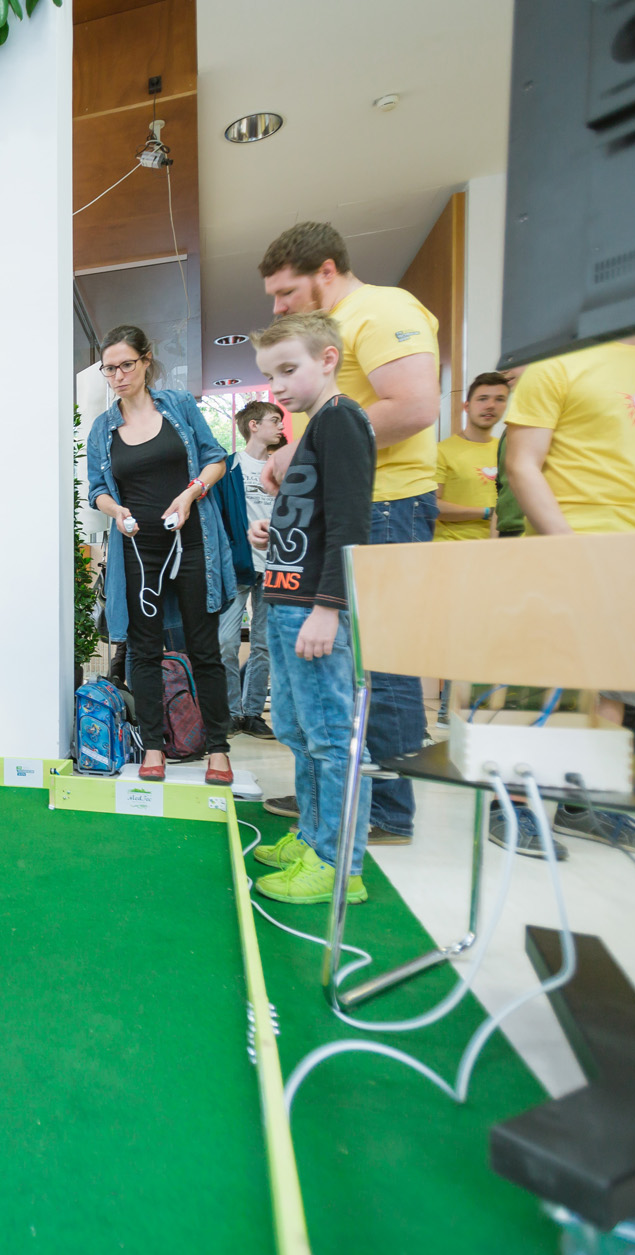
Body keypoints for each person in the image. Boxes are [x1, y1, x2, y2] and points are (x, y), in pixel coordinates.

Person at [493, 330, 635, 858]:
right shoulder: (555, 363)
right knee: (543, 685)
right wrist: (569, 547)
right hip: (568, 543)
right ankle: (513, 807)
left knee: (618, 689)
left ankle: (585, 803)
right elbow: (523, 463)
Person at [259, 221, 440, 845]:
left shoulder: (382, 310)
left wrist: (303, 449)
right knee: (319, 697)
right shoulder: (326, 393)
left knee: (375, 668)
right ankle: (329, 816)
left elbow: (415, 404)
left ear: (326, 271)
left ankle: (377, 812)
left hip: (384, 508)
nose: (279, 306)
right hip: (338, 522)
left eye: (287, 293)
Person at [244, 313, 376, 906]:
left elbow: (350, 523)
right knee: (298, 730)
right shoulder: (312, 429)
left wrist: (330, 607)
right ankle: (314, 835)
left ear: (328, 359)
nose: (279, 386)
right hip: (286, 597)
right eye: (271, 375)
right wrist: (277, 536)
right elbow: (315, 521)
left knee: (331, 736)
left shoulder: (343, 421)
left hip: (314, 607)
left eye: (289, 369)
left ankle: (339, 862)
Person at [86, 325, 237, 785]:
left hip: (191, 544)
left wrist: (190, 495)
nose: (117, 376)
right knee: (143, 652)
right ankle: (154, 746)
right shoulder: (102, 427)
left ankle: (218, 749)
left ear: (146, 360)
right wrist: (116, 510)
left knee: (203, 648)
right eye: (109, 368)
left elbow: (216, 459)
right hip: (138, 550)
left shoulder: (179, 407)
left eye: (125, 365)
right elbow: (96, 491)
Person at [220, 400, 285, 737]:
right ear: (254, 426)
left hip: (276, 565)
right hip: (238, 565)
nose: (281, 426)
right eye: (275, 420)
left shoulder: (284, 466)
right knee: (226, 642)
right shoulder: (230, 467)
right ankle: (230, 711)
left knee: (264, 644)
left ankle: (252, 713)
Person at [434, 373, 508, 542]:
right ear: (466, 406)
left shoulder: (507, 449)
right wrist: (487, 512)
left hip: (500, 547)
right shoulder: (442, 451)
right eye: (482, 399)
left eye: (499, 399)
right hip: (453, 548)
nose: (490, 405)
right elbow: (432, 506)